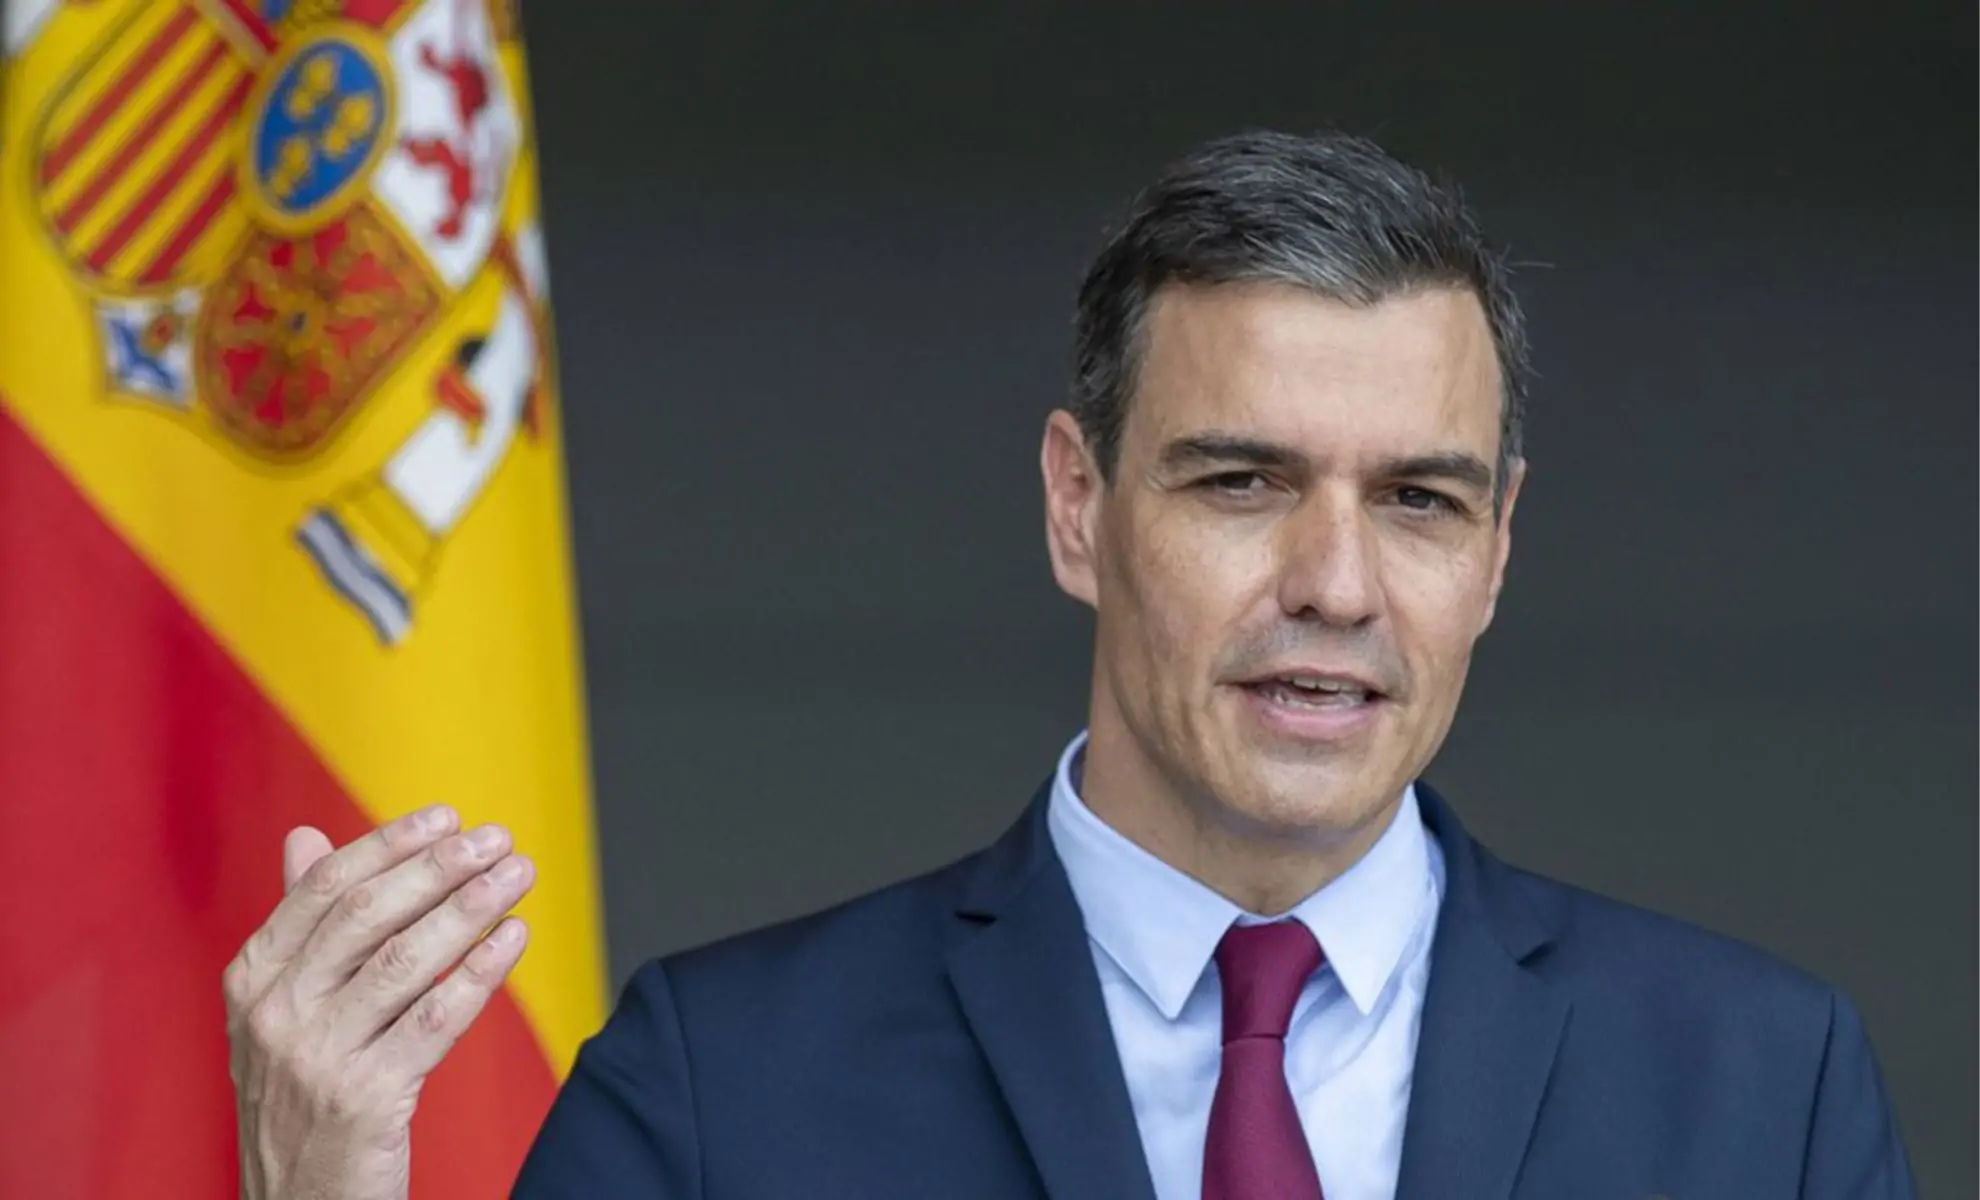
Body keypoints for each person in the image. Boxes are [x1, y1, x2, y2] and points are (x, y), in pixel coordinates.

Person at [224, 130, 1918, 1199]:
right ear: (1076, 504)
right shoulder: (722, 1085)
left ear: (1498, 551)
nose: (1335, 584)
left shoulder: (1763, 1092)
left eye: (1419, 500)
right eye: (1241, 482)